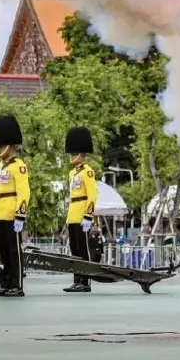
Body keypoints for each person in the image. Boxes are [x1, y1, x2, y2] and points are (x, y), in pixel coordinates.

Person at [0, 113, 30, 297]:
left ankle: (17, 285)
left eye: (1, 145)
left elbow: (24, 192)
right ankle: (6, 283)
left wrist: (20, 215)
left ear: (11, 146)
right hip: (0, 213)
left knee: (14, 252)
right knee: (4, 252)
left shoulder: (18, 166)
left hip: (13, 213)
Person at [63, 126, 97, 293]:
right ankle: (77, 280)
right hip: (73, 213)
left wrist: (88, 216)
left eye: (74, 153)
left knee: (84, 250)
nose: (71, 156)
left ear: (81, 154)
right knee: (75, 251)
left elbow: (92, 196)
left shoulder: (88, 172)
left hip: (82, 213)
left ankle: (86, 281)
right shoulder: (72, 173)